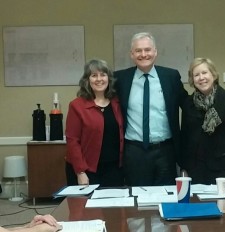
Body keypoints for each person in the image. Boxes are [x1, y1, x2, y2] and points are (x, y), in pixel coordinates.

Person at [114, 32, 188, 186]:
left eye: (147, 50)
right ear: (132, 54)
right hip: (134, 151)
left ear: (155, 52)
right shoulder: (120, 79)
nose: (143, 54)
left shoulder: (171, 77)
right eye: (138, 50)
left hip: (165, 151)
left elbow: (188, 105)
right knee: (136, 201)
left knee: (166, 198)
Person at [180, 57, 225, 198]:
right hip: (196, 170)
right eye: (196, 75)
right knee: (198, 212)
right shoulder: (188, 103)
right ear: (192, 80)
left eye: (205, 73)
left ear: (213, 75)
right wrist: (184, 168)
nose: (201, 78)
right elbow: (184, 138)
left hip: (223, 170)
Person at [65, 59, 124, 187]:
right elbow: (72, 140)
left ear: (109, 79)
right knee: (84, 207)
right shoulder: (77, 106)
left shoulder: (117, 103)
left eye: (103, 74)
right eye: (94, 75)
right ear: (87, 80)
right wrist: (80, 172)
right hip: (87, 170)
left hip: (114, 169)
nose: (99, 79)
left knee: (113, 206)